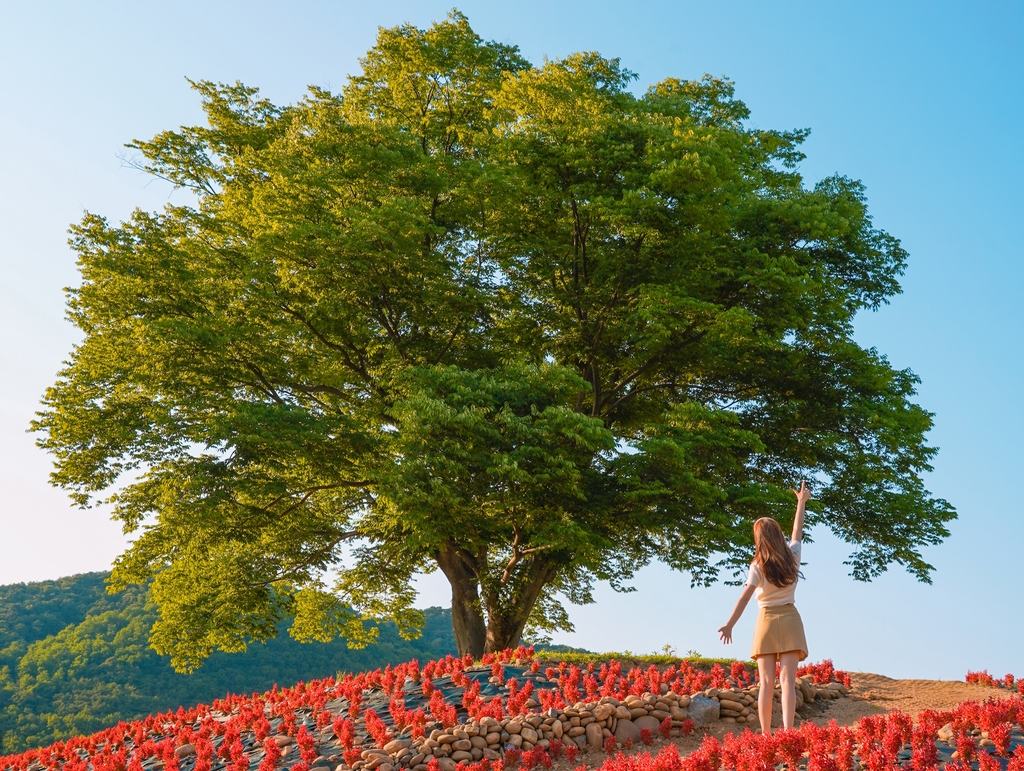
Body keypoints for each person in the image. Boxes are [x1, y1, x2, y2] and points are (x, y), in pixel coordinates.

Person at [718, 481, 811, 734]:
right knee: (788, 682)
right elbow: (797, 531)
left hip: (766, 621)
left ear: (760, 539)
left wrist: (729, 624)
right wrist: (801, 502)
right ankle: (789, 732)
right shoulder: (792, 555)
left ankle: (767, 736)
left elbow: (745, 597)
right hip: (791, 618)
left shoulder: (758, 565)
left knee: (767, 683)